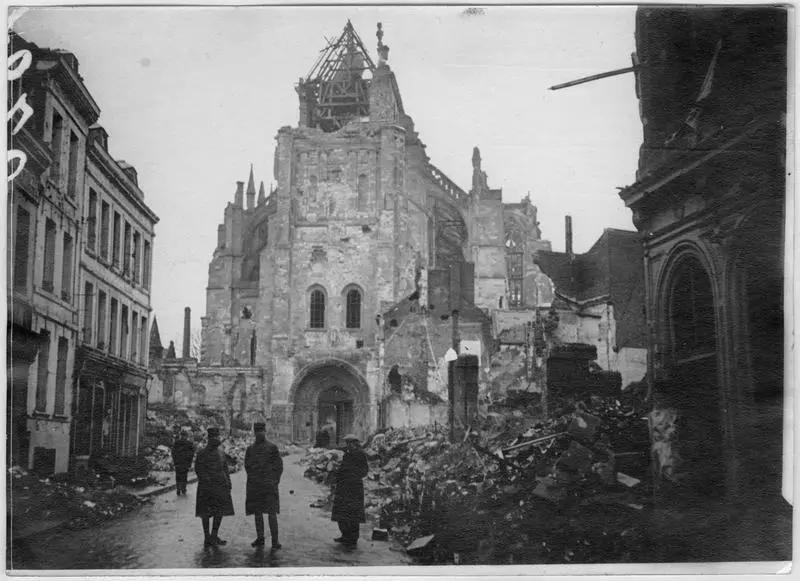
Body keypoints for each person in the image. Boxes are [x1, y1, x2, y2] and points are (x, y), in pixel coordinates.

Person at [244, 422, 284, 549]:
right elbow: (247, 466)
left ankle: (275, 541)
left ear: (265, 431)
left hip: (269, 486)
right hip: (255, 486)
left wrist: (275, 481)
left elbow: (279, 466)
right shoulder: (250, 449)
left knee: (272, 513)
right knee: (258, 513)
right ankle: (260, 538)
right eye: (257, 431)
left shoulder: (272, 448)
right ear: (255, 433)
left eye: (261, 430)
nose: (259, 433)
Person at [195, 427, 234, 546]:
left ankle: (214, 535)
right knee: (205, 513)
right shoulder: (202, 453)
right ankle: (207, 537)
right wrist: (207, 480)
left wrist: (228, 482)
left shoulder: (221, 452)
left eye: (218, 437)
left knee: (219, 512)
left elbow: (225, 469)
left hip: (220, 487)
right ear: (209, 439)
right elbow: (198, 469)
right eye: (214, 437)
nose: (217, 439)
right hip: (206, 488)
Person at [331, 434, 369, 547]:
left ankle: (352, 539)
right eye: (347, 443)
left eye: (350, 443)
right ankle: (345, 536)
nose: (348, 445)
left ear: (355, 443)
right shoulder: (347, 454)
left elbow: (364, 471)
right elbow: (343, 469)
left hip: (354, 488)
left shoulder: (360, 454)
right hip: (343, 487)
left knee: (353, 515)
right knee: (342, 513)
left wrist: (352, 475)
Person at [171, 428, 195, 496]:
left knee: (178, 476)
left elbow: (173, 452)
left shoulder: (176, 443)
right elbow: (191, 454)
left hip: (178, 463)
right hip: (185, 463)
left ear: (181, 435)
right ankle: (183, 489)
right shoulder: (189, 444)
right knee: (184, 476)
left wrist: (175, 461)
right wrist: (189, 463)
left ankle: (178, 489)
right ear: (186, 436)